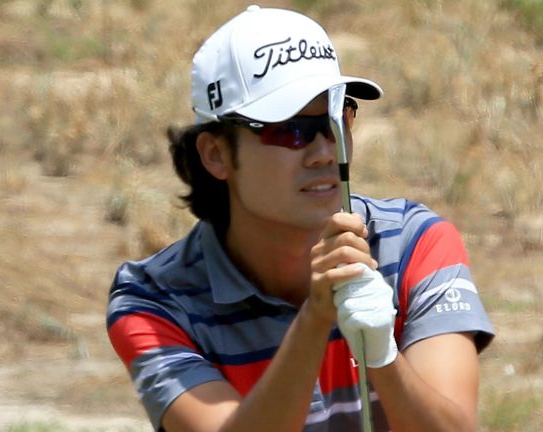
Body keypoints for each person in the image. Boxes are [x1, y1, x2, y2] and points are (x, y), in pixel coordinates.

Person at [106, 5, 494, 432]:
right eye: (289, 130)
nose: (325, 152)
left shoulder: (415, 244)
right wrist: (316, 318)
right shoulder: (154, 300)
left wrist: (382, 356)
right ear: (216, 154)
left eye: (335, 119)